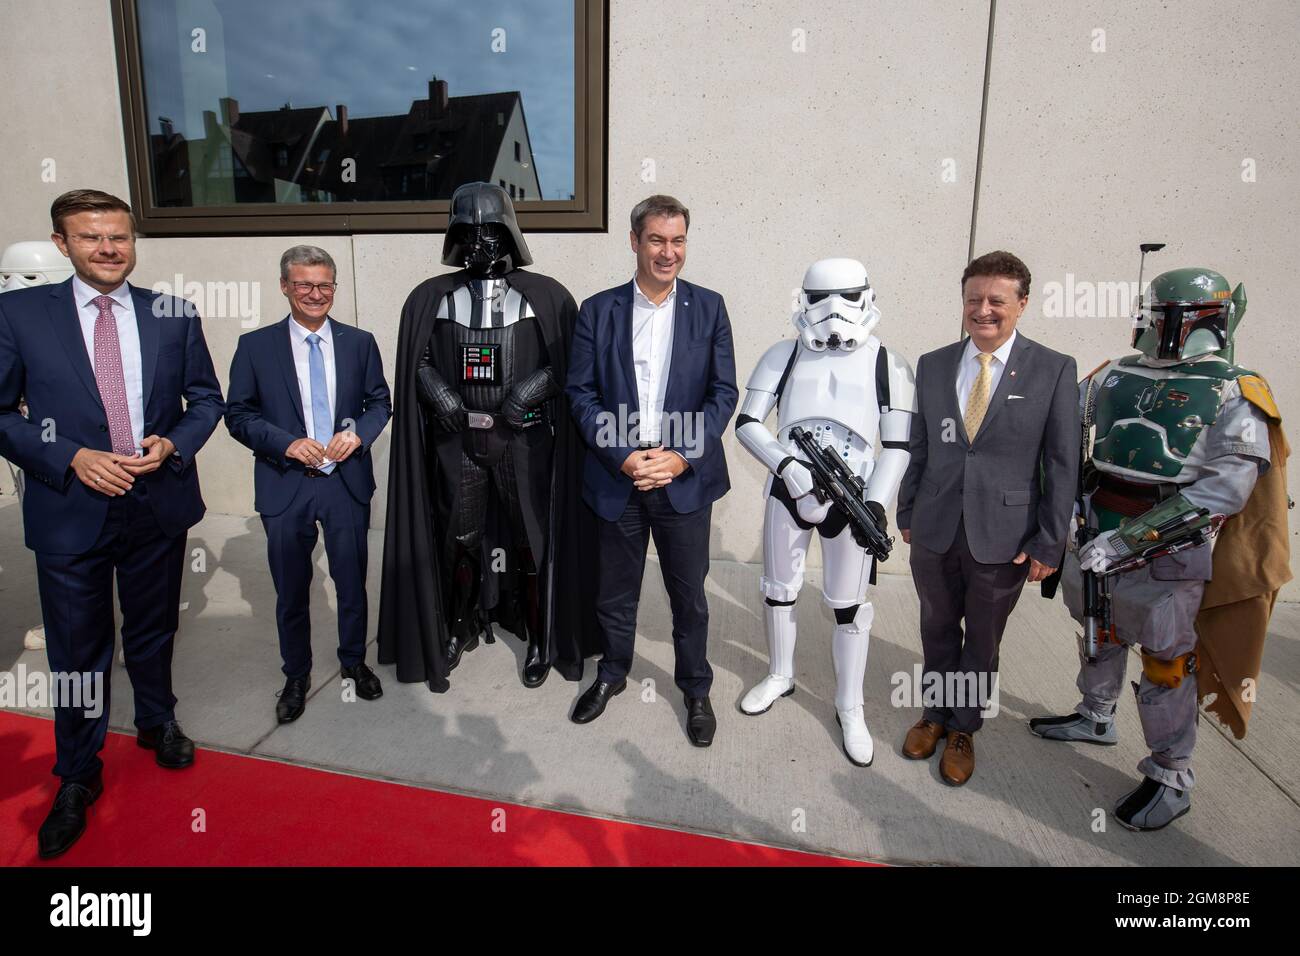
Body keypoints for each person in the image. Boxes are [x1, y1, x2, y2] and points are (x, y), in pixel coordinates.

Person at [0, 189, 224, 858]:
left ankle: (158, 721)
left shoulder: (172, 313)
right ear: (62, 243)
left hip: (157, 500)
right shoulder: (17, 313)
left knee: (155, 625)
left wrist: (174, 443)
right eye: (92, 237)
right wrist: (69, 456)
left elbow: (206, 399)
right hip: (70, 506)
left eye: (119, 237)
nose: (108, 248)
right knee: (77, 649)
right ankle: (76, 774)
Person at [1030, 265, 1288, 831]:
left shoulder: (1236, 390)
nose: (1159, 325)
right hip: (1094, 527)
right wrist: (1072, 513)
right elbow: (1068, 447)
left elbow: (1224, 489)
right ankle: (1096, 716)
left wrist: (1129, 542)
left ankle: (1171, 775)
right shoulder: (1112, 374)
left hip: (1168, 549)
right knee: (1098, 634)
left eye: (1169, 316)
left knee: (1167, 662)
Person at [378, 182, 598, 691]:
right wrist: (439, 395)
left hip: (523, 441)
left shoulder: (546, 296)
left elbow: (568, 364)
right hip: (458, 441)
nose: (480, 243)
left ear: (510, 232)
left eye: (491, 231)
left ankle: (540, 636)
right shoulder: (433, 298)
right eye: (469, 232)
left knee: (530, 541)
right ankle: (459, 625)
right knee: (459, 537)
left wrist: (529, 392)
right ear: (455, 235)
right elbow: (418, 361)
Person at [896, 250, 1078, 785]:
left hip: (1006, 536)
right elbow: (919, 444)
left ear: (1021, 304)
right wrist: (907, 509)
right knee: (935, 627)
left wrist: (1050, 542)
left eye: (997, 300)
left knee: (982, 639)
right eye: (974, 299)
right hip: (934, 527)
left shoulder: (1053, 369)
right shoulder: (933, 363)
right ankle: (934, 713)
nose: (983, 310)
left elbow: (1062, 463)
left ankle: (964, 728)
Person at [565, 194, 738, 746]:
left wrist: (680, 454)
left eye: (679, 240)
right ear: (635, 241)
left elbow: (722, 393)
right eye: (658, 240)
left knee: (688, 595)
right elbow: (581, 393)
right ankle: (612, 673)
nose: (669, 252)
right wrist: (624, 456)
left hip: (684, 478)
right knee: (615, 592)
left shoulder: (710, 308)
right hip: (620, 475)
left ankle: (694, 688)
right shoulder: (598, 310)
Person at [733, 258, 914, 766]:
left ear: (867, 297)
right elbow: (747, 421)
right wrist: (786, 464)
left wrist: (874, 503)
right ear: (803, 299)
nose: (833, 310)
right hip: (788, 489)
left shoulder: (889, 364)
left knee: (850, 607)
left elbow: (898, 446)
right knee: (778, 590)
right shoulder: (782, 355)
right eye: (820, 297)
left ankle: (849, 706)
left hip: (852, 495)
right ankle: (780, 674)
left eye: (847, 296)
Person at [225, 245, 392, 722]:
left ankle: (354, 662)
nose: (315, 294)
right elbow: (237, 415)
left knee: (351, 581)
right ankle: (295, 675)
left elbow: (380, 402)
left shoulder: (359, 342)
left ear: (334, 288)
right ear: (285, 287)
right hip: (286, 483)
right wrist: (284, 443)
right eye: (304, 285)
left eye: (324, 285)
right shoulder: (255, 346)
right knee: (291, 587)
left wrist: (358, 433)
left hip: (345, 483)